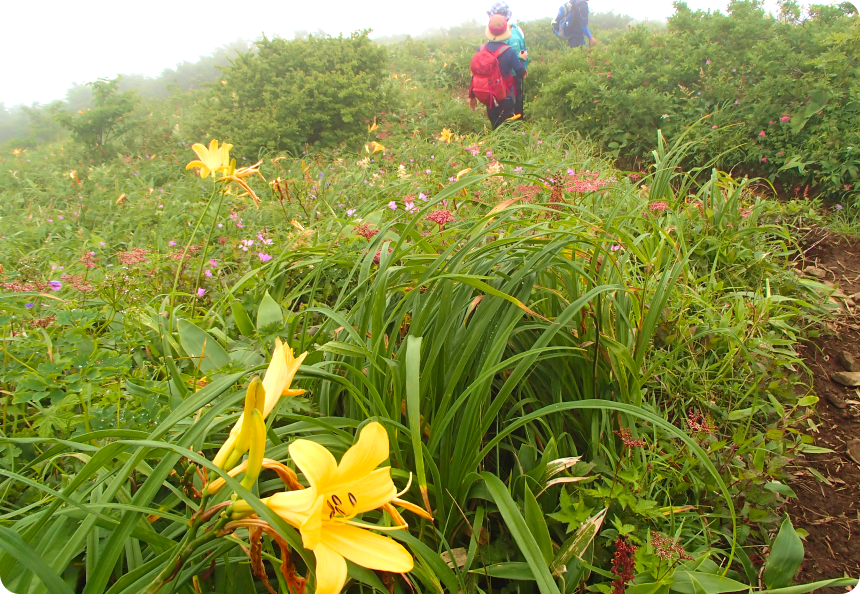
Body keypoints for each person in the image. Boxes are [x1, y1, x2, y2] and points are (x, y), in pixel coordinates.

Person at [469, 14, 527, 129]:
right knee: (508, 126)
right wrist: (522, 59)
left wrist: (472, 96)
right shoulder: (509, 51)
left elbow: (475, 73)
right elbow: (521, 73)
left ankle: (495, 139)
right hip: (505, 96)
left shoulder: (481, 49)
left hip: (489, 95)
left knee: (495, 124)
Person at [487, 2, 529, 119]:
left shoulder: (492, 36)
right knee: (514, 102)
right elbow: (518, 66)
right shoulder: (516, 30)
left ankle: (500, 125)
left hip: (499, 78)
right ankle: (516, 124)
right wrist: (522, 62)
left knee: (499, 105)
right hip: (510, 77)